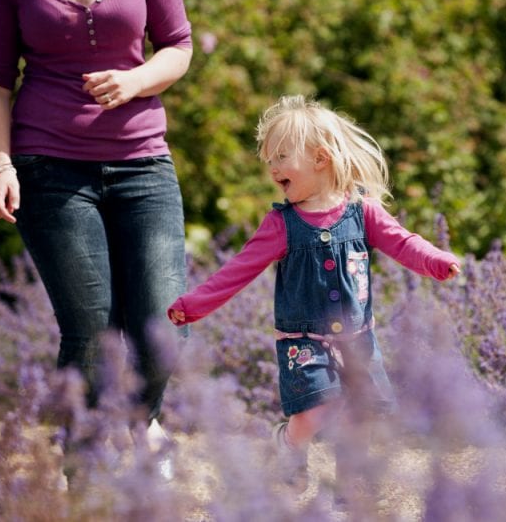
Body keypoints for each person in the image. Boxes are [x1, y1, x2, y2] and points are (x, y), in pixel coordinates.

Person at [167, 95, 461, 497]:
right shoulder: (280, 224)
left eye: (282, 157)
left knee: (361, 415)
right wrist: (194, 305)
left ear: (320, 158)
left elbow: (403, 242)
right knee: (312, 413)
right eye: (269, 159)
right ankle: (287, 446)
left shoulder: (363, 211)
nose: (272, 168)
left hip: (358, 339)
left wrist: (436, 260)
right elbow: (236, 271)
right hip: (302, 342)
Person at [0, 0, 193, 458]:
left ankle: (141, 419)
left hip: (144, 165)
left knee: (166, 322)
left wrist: (135, 81)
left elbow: (178, 46)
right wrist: (1, 166)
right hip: (49, 168)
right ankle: (88, 470)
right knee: (92, 331)